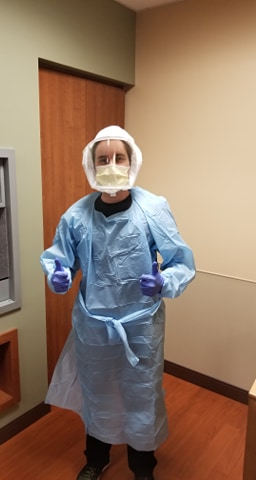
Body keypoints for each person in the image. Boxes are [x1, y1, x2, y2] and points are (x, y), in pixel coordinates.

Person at [40, 125, 196, 480]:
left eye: (118, 158)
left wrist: (163, 281)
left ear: (132, 162)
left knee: (142, 395)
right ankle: (96, 459)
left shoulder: (153, 209)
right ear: (92, 165)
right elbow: (58, 258)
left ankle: (143, 467)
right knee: (98, 392)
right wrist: (58, 274)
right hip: (93, 325)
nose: (111, 164)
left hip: (141, 326)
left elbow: (181, 262)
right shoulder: (76, 216)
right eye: (103, 159)